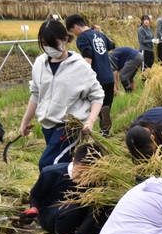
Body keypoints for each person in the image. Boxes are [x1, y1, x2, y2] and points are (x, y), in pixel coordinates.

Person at [19, 20, 103, 171]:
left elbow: (97, 96)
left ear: (65, 40)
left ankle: (45, 194)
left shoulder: (80, 66)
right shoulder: (39, 63)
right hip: (47, 125)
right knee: (62, 165)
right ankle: (71, 190)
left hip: (68, 126)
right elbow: (36, 94)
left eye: (53, 43)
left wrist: (90, 121)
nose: (48, 48)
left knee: (48, 165)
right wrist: (25, 121)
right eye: (44, 43)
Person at [21, 142, 107, 234]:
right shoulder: (50, 173)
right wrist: (34, 208)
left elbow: (94, 212)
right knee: (69, 208)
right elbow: (36, 194)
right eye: (80, 172)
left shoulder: (99, 180)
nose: (83, 178)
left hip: (82, 216)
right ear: (73, 161)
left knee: (109, 206)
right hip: (53, 216)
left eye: (88, 174)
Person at [65, 14, 114, 135]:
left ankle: (87, 131)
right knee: (104, 107)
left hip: (97, 79)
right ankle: (105, 134)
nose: (74, 34)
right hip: (109, 78)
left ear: (76, 27)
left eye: (72, 30)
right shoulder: (99, 34)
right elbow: (112, 45)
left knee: (87, 107)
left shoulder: (82, 37)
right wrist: (101, 32)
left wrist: (82, 77)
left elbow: (88, 56)